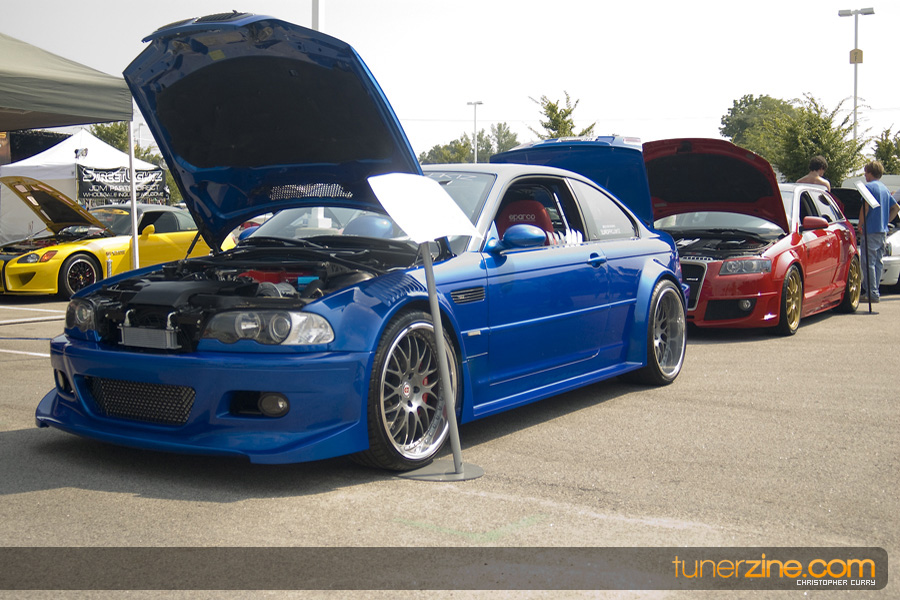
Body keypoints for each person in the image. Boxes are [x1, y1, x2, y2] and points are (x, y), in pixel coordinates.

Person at [858, 160, 900, 303]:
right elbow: (896, 208)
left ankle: (871, 293)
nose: (865, 175)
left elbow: (866, 208)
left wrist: (860, 224)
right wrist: (885, 220)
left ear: (870, 173)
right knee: (877, 262)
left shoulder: (868, 187)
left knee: (868, 263)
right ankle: (875, 291)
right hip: (882, 231)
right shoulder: (884, 188)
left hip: (870, 230)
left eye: (866, 172)